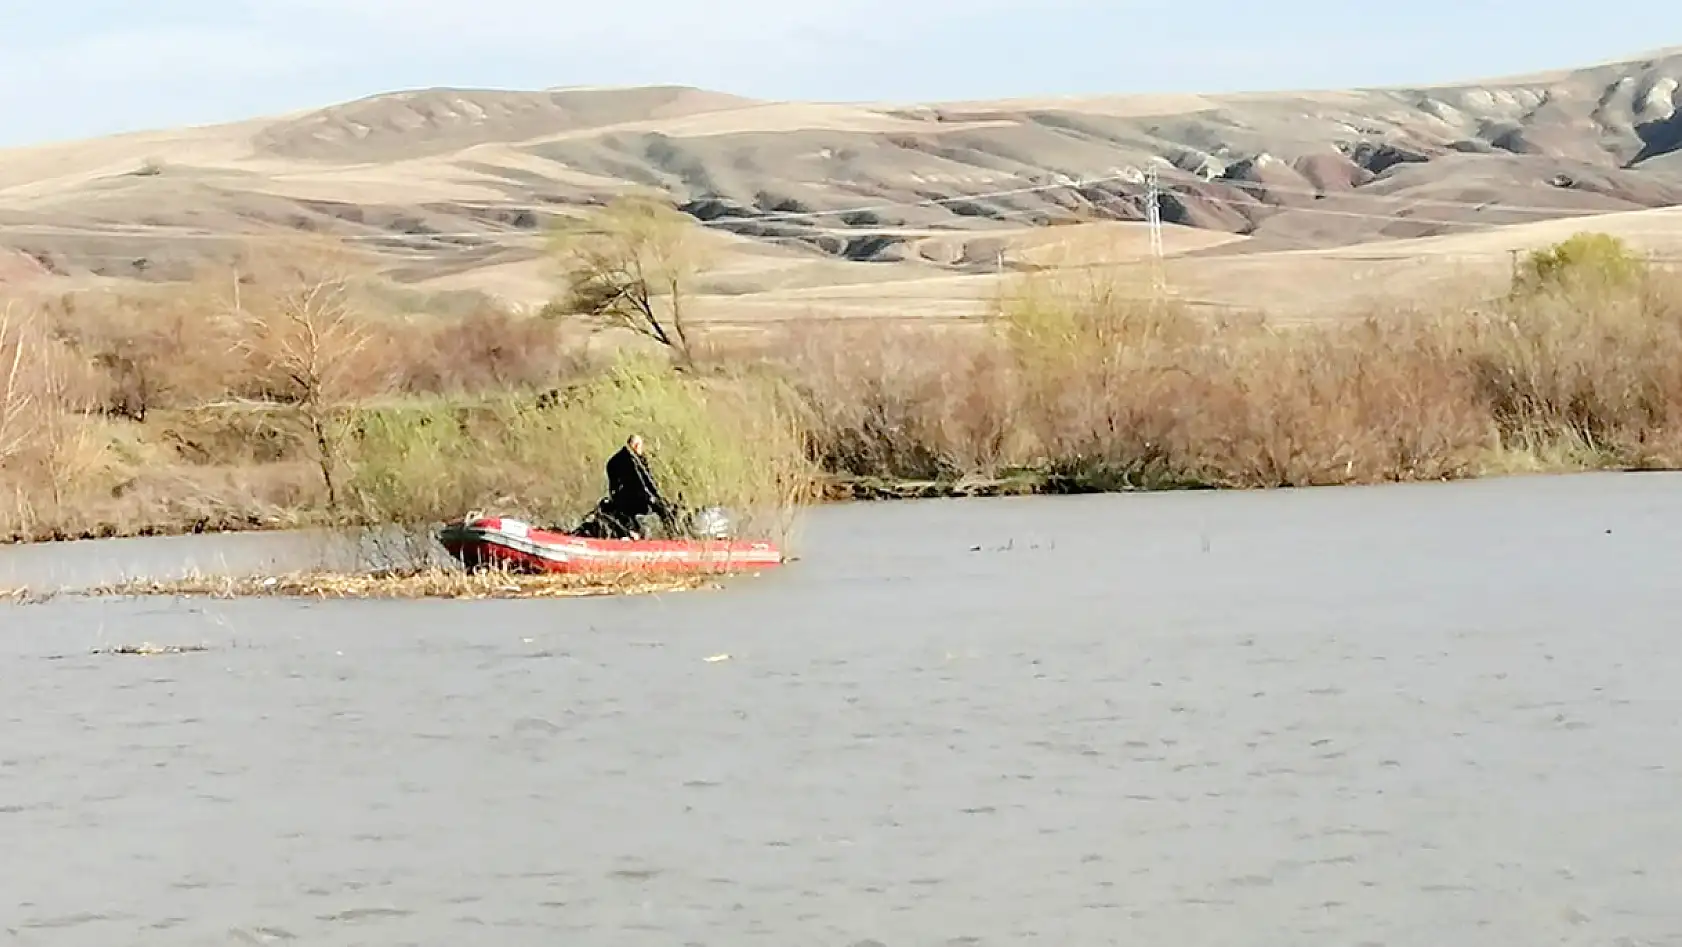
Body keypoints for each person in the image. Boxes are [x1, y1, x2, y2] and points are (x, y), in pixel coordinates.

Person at [598, 434, 675, 539]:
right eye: (641, 447)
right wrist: (654, 498)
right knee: (661, 509)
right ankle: (672, 534)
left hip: (620, 499)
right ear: (636, 446)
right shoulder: (632, 461)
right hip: (632, 498)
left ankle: (634, 532)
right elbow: (643, 482)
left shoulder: (616, 459)